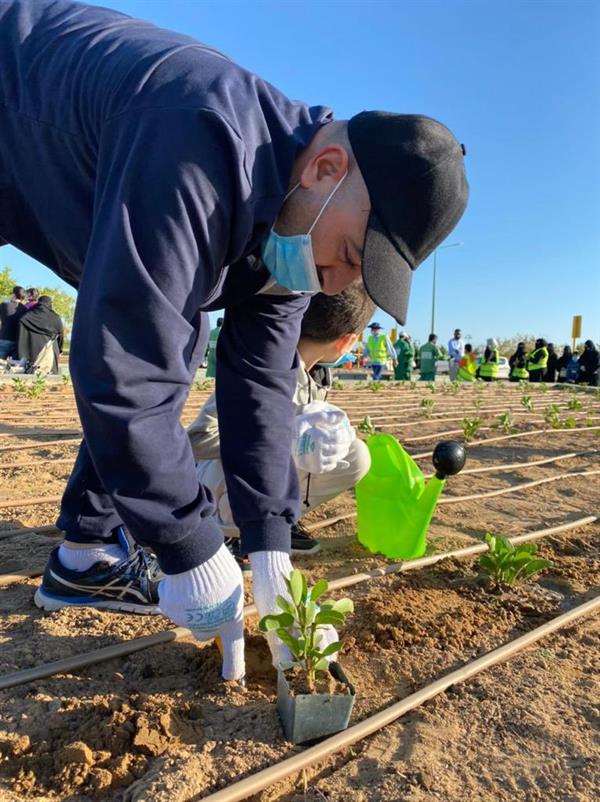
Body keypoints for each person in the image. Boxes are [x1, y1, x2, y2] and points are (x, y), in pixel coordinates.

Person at [1, 0, 468, 681]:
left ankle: (86, 557)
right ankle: (90, 549)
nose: (335, 282)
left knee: (182, 328)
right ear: (325, 167)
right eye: (347, 252)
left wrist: (270, 548)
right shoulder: (198, 142)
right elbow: (124, 366)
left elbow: (262, 387)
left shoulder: (295, 230)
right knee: (166, 333)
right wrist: (188, 545)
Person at [189, 286, 374, 567]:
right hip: (216, 486)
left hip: (258, 477)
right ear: (346, 342)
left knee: (354, 455)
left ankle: (279, 520)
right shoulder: (262, 368)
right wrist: (280, 434)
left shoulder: (316, 375)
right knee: (288, 446)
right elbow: (199, 437)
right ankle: (229, 530)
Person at [17, 295, 64, 373]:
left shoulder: (27, 316)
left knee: (31, 375)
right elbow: (60, 335)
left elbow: (21, 334)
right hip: (50, 350)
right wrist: (60, 349)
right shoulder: (55, 317)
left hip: (31, 350)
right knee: (50, 375)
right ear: (50, 304)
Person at [0, 285, 27, 359]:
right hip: (18, 341)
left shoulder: (4, 305)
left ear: (14, 295)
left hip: (4, 338)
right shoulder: (25, 309)